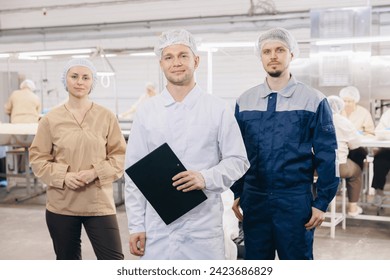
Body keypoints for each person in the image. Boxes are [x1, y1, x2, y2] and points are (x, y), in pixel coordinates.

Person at [124, 29, 249, 260]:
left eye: (183, 55)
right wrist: (136, 225)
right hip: (157, 228)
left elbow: (238, 160)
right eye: (169, 57)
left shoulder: (216, 108)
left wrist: (205, 178)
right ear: (161, 63)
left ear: (196, 60)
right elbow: (134, 173)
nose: (176, 63)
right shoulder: (147, 112)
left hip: (202, 228)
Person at [231, 27, 339, 260]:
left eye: (280, 50)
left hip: (294, 200)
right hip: (255, 198)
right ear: (260, 57)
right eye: (266, 51)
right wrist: (238, 191)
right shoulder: (245, 101)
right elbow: (237, 152)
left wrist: (321, 202)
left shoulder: (313, 100)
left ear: (292, 54)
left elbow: (327, 154)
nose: (273, 56)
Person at [29, 58, 126, 260]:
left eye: (85, 77)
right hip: (62, 204)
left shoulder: (107, 116)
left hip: (99, 203)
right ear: (65, 80)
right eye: (74, 76)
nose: (79, 82)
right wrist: (63, 176)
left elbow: (120, 155)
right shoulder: (50, 119)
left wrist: (95, 172)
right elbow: (38, 158)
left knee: (113, 261)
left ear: (92, 82)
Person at [327, 95, 363, 216]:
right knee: (356, 172)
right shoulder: (344, 122)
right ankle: (352, 209)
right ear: (340, 107)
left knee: (318, 178)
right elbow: (355, 145)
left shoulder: (314, 120)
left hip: (315, 167)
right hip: (339, 167)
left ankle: (319, 205)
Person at [371, 109, 390, 206]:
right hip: (387, 149)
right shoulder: (388, 114)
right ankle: (378, 192)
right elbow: (379, 132)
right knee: (379, 159)